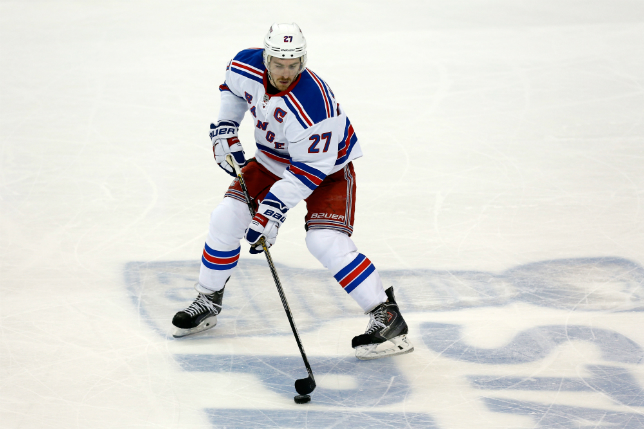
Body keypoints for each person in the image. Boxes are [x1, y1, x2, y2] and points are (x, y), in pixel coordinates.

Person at [171, 23, 413, 360]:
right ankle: (208, 299)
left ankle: (386, 316)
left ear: (303, 60)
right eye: (279, 64)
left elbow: (308, 170)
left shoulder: (314, 105)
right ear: (266, 59)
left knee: (324, 241)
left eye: (293, 65)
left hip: (326, 171)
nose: (286, 73)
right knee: (226, 217)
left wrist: (270, 213)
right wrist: (226, 126)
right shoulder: (244, 64)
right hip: (271, 161)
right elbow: (232, 89)